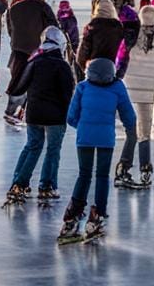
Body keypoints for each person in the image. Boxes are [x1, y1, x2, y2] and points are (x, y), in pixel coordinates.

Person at [58, 58, 136, 244]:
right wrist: (128, 128)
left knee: (84, 175)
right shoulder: (117, 87)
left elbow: (70, 117)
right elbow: (129, 116)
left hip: (84, 137)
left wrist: (84, 127)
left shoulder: (83, 87)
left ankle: (72, 214)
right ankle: (97, 215)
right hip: (105, 139)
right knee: (101, 176)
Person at [5, 27, 76, 205]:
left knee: (32, 147)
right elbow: (68, 93)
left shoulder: (34, 62)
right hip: (56, 116)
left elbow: (20, 87)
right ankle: (47, 186)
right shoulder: (62, 66)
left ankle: (18, 184)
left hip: (34, 114)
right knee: (52, 150)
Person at [115, 6, 154, 189]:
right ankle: (145, 167)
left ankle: (123, 166)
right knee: (145, 132)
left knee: (131, 130)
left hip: (129, 90)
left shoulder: (132, 35)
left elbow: (121, 54)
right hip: (147, 91)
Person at [5, 0, 58, 124]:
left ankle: (12, 110)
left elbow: (10, 30)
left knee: (19, 81)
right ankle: (34, 113)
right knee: (38, 83)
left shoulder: (13, 7)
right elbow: (53, 27)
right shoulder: (42, 6)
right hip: (38, 50)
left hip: (19, 51)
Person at [77, 0, 124, 71]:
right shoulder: (119, 28)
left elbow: (84, 51)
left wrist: (85, 68)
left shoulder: (91, 27)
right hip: (113, 69)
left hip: (94, 68)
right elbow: (123, 50)